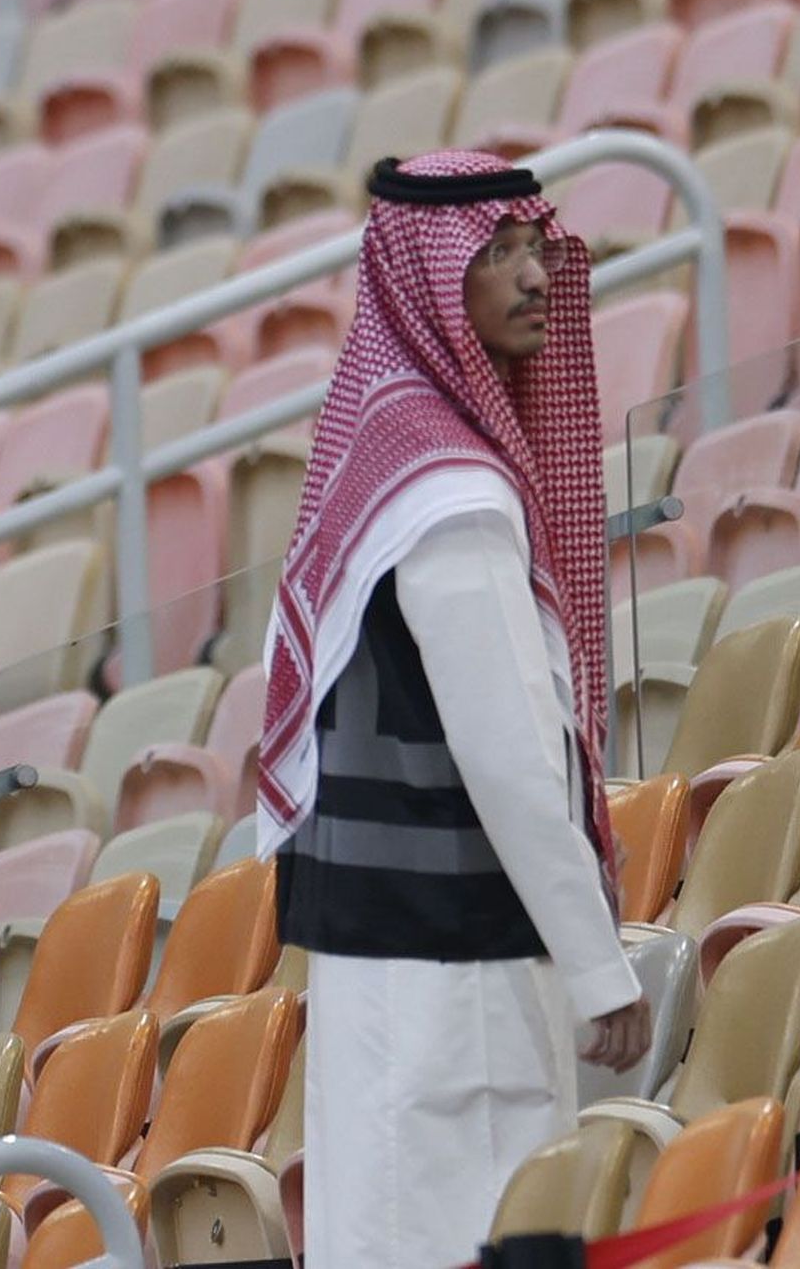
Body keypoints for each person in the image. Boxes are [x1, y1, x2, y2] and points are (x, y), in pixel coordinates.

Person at [259, 149, 649, 1269]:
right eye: (497, 252)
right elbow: (514, 757)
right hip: (456, 972)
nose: (532, 277)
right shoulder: (453, 495)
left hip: (386, 957)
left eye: (536, 247)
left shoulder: (384, 456)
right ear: (431, 280)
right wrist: (596, 965)